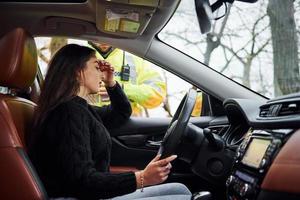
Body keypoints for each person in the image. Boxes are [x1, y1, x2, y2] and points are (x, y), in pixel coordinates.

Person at [28, 44, 192, 200]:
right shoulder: (68, 112)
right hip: (80, 196)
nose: (101, 73)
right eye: (96, 67)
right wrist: (142, 178)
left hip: (91, 193)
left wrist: (111, 83)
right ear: (78, 72)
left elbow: (121, 112)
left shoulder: (81, 108)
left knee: (180, 189)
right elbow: (82, 181)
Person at [88, 41, 167, 116]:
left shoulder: (134, 57)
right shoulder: (79, 57)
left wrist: (119, 89)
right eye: (100, 36)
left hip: (128, 125)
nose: (103, 40)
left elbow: (158, 94)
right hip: (87, 122)